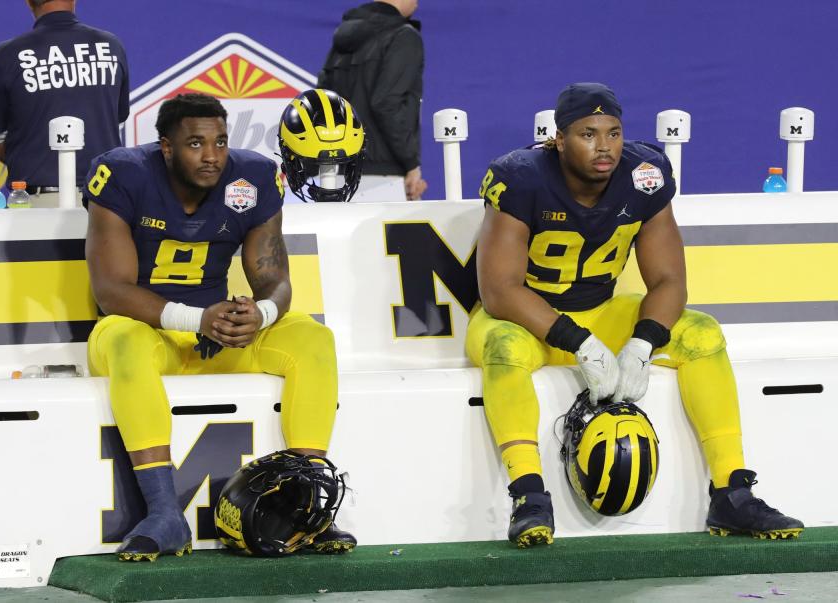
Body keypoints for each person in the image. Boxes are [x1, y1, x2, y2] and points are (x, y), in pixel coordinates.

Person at [466, 82, 803, 547]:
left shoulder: (645, 174)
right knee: (502, 348)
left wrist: (643, 342)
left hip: (600, 311)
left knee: (702, 333)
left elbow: (669, 280)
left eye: (613, 133)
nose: (603, 146)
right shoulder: (522, 177)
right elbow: (499, 291)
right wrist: (578, 341)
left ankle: (732, 491)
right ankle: (529, 497)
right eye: (588, 134)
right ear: (558, 139)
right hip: (527, 321)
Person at [83, 93, 354, 561]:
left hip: (216, 337)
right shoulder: (124, 174)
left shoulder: (252, 177)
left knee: (311, 337)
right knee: (124, 338)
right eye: (195, 143)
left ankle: (307, 504)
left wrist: (259, 315)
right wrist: (197, 318)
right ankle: (165, 514)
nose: (211, 155)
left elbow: (276, 281)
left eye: (220, 142)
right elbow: (111, 290)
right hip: (149, 334)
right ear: (166, 147)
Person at [0, 0, 129, 207]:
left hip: (39, 202)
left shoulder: (8, 54)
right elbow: (116, 119)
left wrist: (32, 159)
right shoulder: (111, 46)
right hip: (106, 201)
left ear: (29, 2)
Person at [317, 0, 427, 202]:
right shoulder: (404, 36)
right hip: (385, 174)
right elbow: (386, 104)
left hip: (335, 175)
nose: (418, 4)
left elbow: (322, 102)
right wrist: (411, 164)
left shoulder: (344, 36)